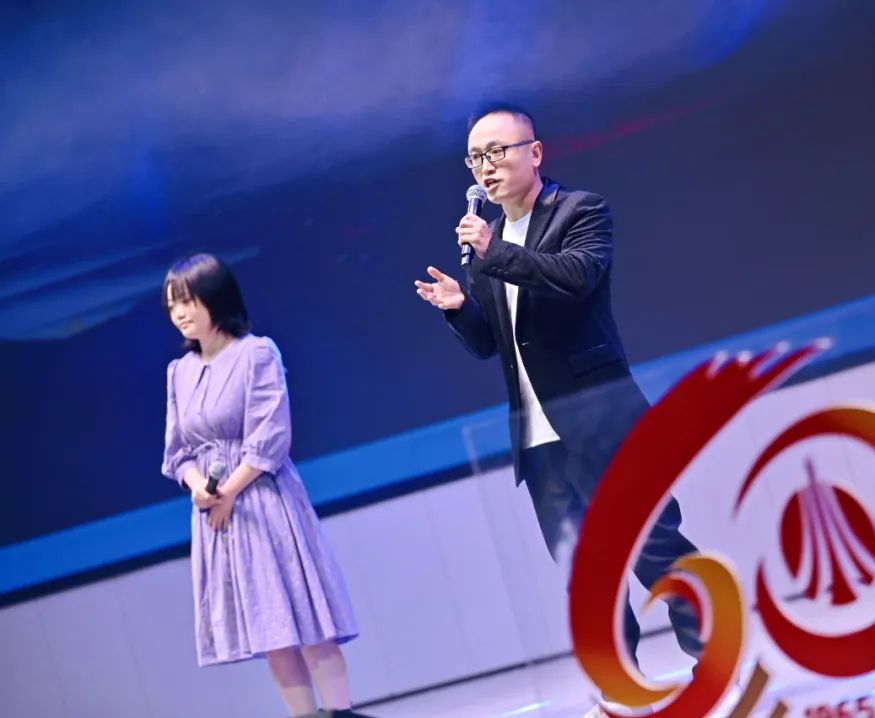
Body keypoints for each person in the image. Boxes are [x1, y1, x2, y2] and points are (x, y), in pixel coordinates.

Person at [415, 104, 703, 716]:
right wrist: (458, 309)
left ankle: (717, 655)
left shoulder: (580, 211)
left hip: (604, 424)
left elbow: (576, 278)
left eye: (497, 152)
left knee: (653, 548)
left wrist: (494, 251)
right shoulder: (485, 242)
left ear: (535, 152)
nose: (486, 167)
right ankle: (623, 689)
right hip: (539, 443)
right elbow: (493, 344)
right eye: (475, 158)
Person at [162, 253, 365, 718]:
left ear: (215, 298)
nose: (180, 313)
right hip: (219, 519)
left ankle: (340, 712)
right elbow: (177, 452)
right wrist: (198, 488)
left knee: (307, 623)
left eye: (188, 301)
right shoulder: (179, 372)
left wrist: (229, 491)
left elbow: (270, 436)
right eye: (172, 304)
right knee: (271, 633)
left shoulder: (256, 353)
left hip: (264, 502)